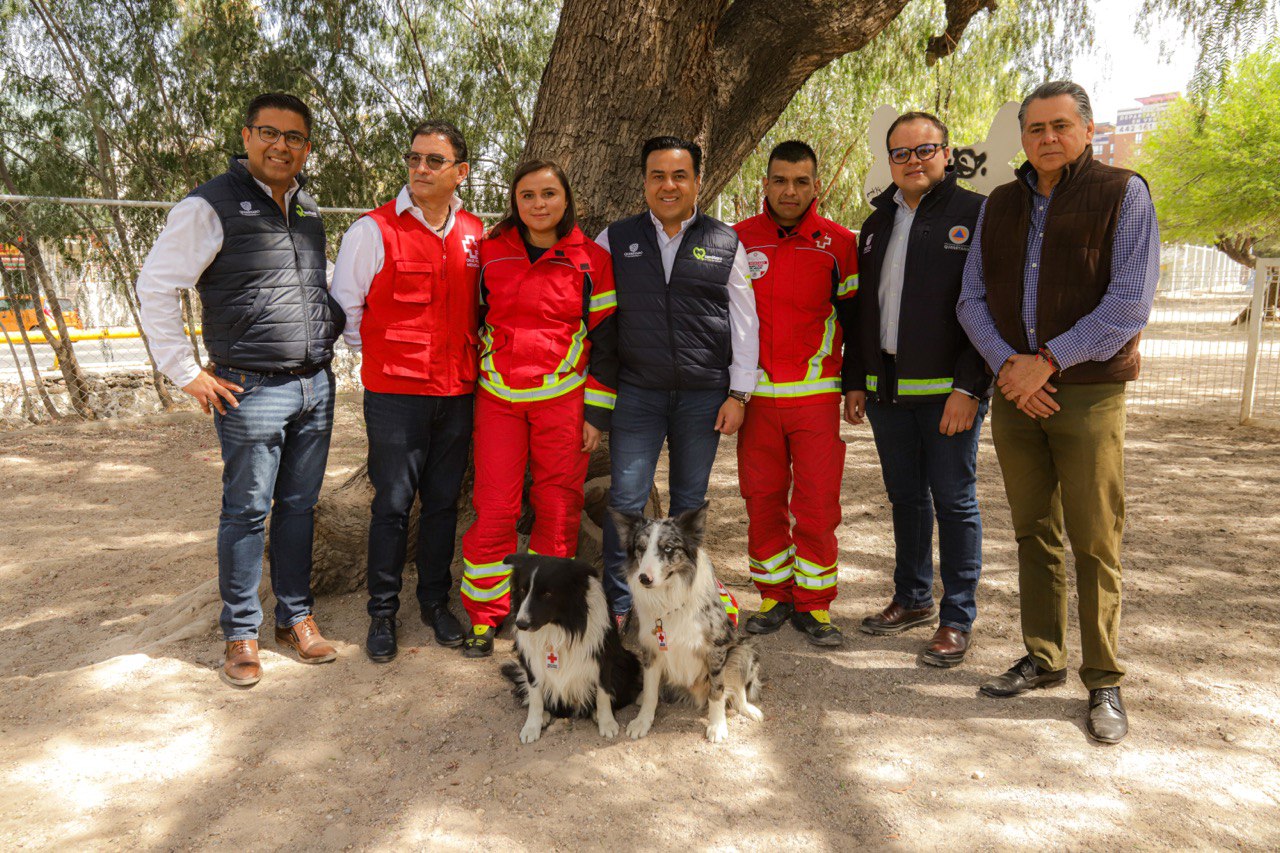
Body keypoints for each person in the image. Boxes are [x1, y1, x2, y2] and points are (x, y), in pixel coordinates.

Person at [956, 81, 1159, 743]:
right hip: (1018, 393)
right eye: (1036, 127)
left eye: (1061, 125)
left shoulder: (1123, 193)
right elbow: (971, 301)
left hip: (1088, 391)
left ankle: (1103, 678)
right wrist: (1011, 368)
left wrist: (1049, 359)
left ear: (1088, 127)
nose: (1048, 137)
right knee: (1032, 531)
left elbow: (1128, 303)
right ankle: (1044, 656)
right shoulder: (1001, 204)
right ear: (1023, 136)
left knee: (1095, 538)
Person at [136, 93, 345, 687]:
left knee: (300, 508)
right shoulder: (208, 206)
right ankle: (242, 633)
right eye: (269, 133)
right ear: (247, 135)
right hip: (249, 391)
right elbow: (155, 287)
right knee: (248, 512)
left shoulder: (307, 208)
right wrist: (186, 372)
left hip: (314, 387)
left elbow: (310, 289)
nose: (282, 145)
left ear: (307, 147)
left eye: (295, 137)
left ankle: (296, 619)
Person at [330, 120, 485, 662]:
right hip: (395, 396)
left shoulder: (475, 233)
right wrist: (388, 359)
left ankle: (435, 603)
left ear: (459, 172)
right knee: (393, 506)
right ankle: (382, 612)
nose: (420, 169)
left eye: (433, 161)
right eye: (414, 158)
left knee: (442, 504)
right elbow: (346, 310)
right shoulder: (372, 231)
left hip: (458, 392)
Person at [596, 136, 759, 631]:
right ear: (644, 181)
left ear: (697, 182)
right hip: (638, 394)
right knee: (626, 502)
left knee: (690, 506)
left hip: (703, 396)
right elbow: (599, 319)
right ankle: (621, 605)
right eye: (658, 176)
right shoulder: (615, 239)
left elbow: (744, 321)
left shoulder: (725, 241)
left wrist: (738, 393)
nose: (668, 186)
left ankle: (683, 605)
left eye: (679, 175)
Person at [845, 112, 990, 667]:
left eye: (924, 149)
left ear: (947, 154)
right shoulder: (876, 223)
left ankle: (957, 616)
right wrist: (856, 379)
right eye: (901, 153)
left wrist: (970, 388)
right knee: (905, 498)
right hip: (887, 395)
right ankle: (912, 597)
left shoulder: (977, 215)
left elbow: (987, 310)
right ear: (889, 162)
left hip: (949, 395)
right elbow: (863, 310)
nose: (913, 161)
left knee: (954, 501)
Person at [457, 159, 619, 657]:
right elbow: (473, 318)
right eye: (527, 195)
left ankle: (545, 612)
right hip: (500, 399)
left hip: (563, 401)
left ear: (566, 200)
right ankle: (485, 616)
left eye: (548, 194)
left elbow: (607, 339)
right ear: (515, 202)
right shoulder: (490, 252)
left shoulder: (591, 259)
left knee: (557, 505)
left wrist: (597, 414)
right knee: (497, 507)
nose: (538, 204)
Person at [733, 140, 859, 646]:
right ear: (765, 183)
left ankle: (815, 604)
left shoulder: (839, 244)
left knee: (817, 502)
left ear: (816, 186)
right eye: (780, 180)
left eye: (801, 181)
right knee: (761, 498)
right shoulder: (738, 240)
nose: (790, 190)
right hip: (756, 399)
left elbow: (856, 319)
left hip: (816, 396)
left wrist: (854, 383)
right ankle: (772, 595)